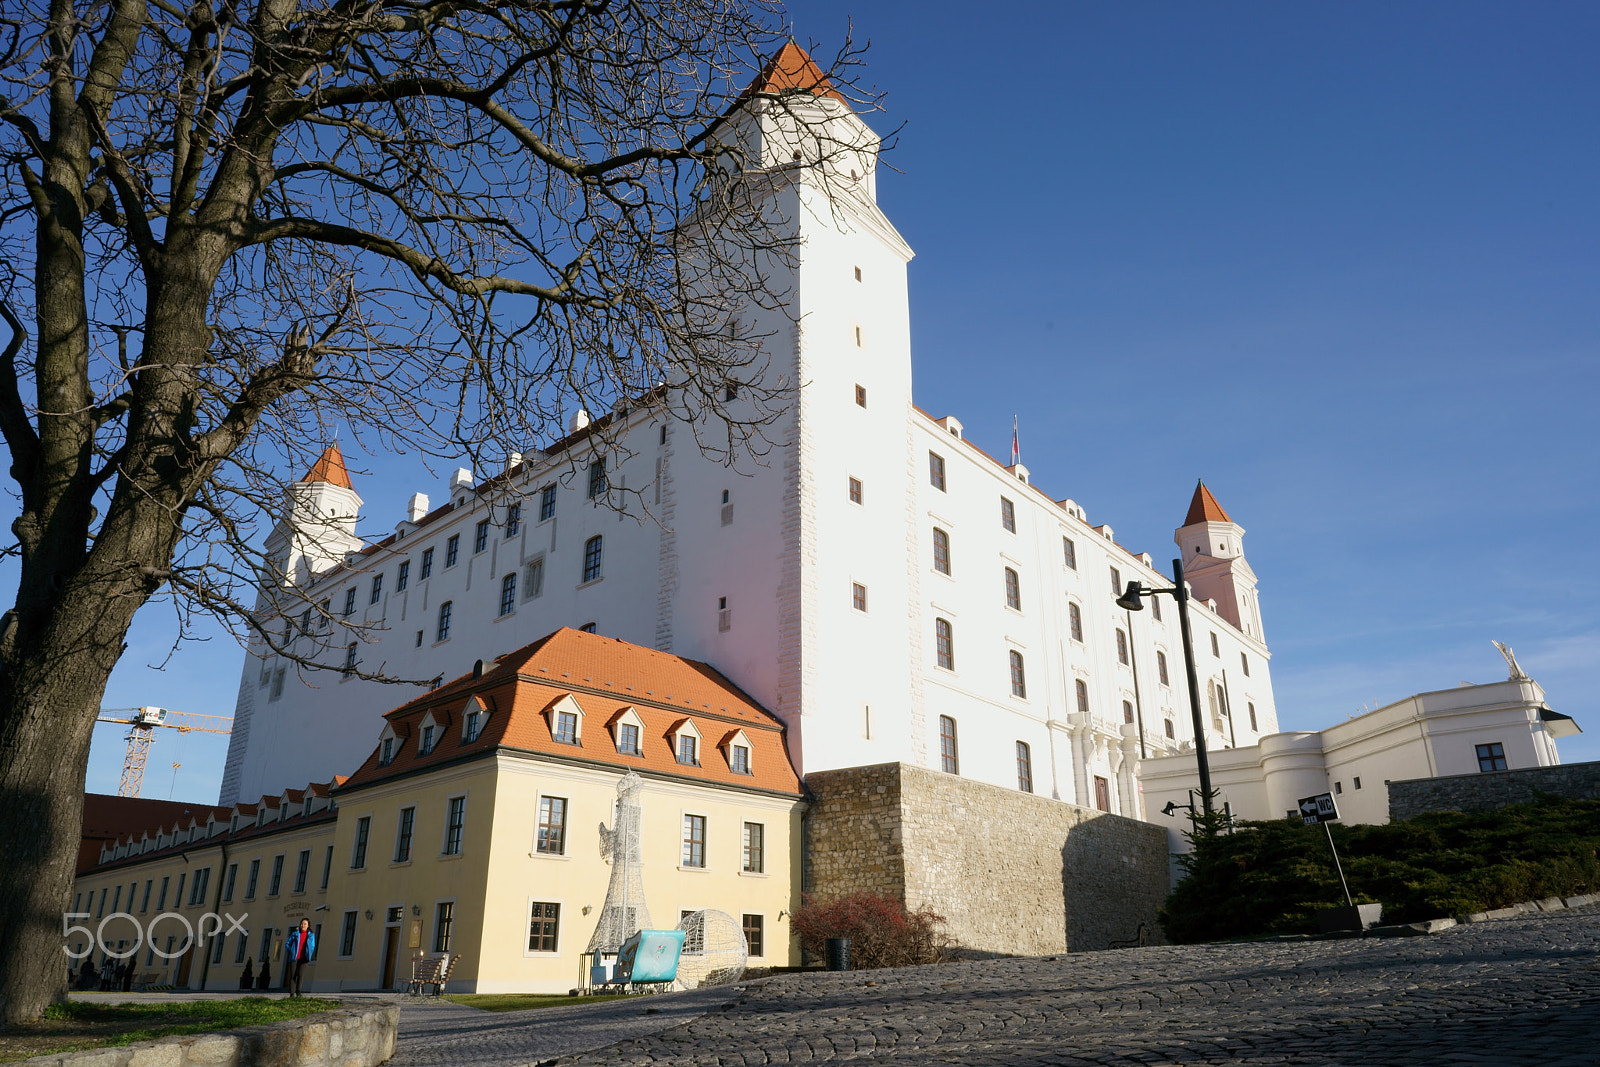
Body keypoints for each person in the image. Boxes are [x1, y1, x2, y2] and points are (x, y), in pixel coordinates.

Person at [284, 919, 315, 997]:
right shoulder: (295, 934)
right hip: (294, 957)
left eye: (305, 924)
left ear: (308, 926)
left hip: (304, 958)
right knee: (293, 975)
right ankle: (291, 993)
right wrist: (291, 950)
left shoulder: (310, 935)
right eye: (302, 924)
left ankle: (298, 991)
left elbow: (312, 945)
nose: (303, 925)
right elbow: (287, 944)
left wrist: (309, 953)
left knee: (301, 975)